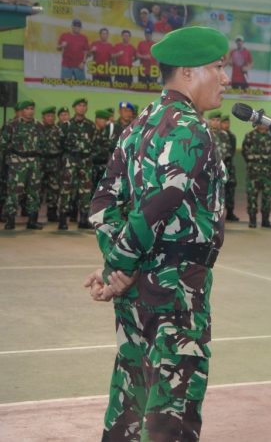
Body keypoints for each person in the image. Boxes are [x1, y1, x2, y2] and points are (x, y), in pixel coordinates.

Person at [84, 25, 229, 441]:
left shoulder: (139, 125)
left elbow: (102, 204)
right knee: (171, 411)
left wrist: (118, 268)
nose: (225, 77)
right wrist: (121, 268)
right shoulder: (191, 129)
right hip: (177, 292)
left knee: (131, 398)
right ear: (187, 72)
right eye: (217, 67)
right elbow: (156, 208)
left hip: (138, 293)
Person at [0, 100, 44, 230]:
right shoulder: (12, 125)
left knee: (34, 192)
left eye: (32, 108)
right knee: (14, 192)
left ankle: (32, 220)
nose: (30, 111)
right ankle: (10, 220)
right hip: (17, 163)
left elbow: (43, 144)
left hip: (34, 162)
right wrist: (12, 156)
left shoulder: (39, 125)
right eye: (27, 108)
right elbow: (3, 143)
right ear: (22, 111)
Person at [58, 97, 96, 230]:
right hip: (70, 160)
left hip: (85, 161)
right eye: (79, 105)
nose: (82, 108)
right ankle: (63, 219)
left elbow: (94, 143)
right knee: (66, 190)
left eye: (84, 106)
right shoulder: (66, 125)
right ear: (74, 108)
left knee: (85, 190)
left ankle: (84, 219)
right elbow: (60, 143)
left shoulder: (91, 125)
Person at [242, 122, 271, 228]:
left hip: (268, 173)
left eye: (264, 122)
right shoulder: (249, 136)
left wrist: (266, 162)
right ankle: (252, 220)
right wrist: (253, 163)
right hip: (253, 173)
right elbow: (245, 152)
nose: (262, 124)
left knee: (268, 197)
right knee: (252, 196)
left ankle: (265, 220)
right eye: (260, 122)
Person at [39, 106, 63, 222]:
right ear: (43, 117)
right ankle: (33, 213)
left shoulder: (58, 130)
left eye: (52, 116)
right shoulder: (38, 129)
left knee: (54, 189)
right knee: (37, 188)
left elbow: (63, 146)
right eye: (48, 116)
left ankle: (52, 211)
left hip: (54, 163)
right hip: (40, 162)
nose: (50, 118)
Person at [220, 115, 239, 222]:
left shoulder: (231, 136)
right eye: (224, 122)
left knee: (230, 189)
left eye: (228, 123)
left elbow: (232, 152)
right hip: (220, 166)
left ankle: (230, 212)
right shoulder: (216, 135)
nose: (226, 125)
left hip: (229, 166)